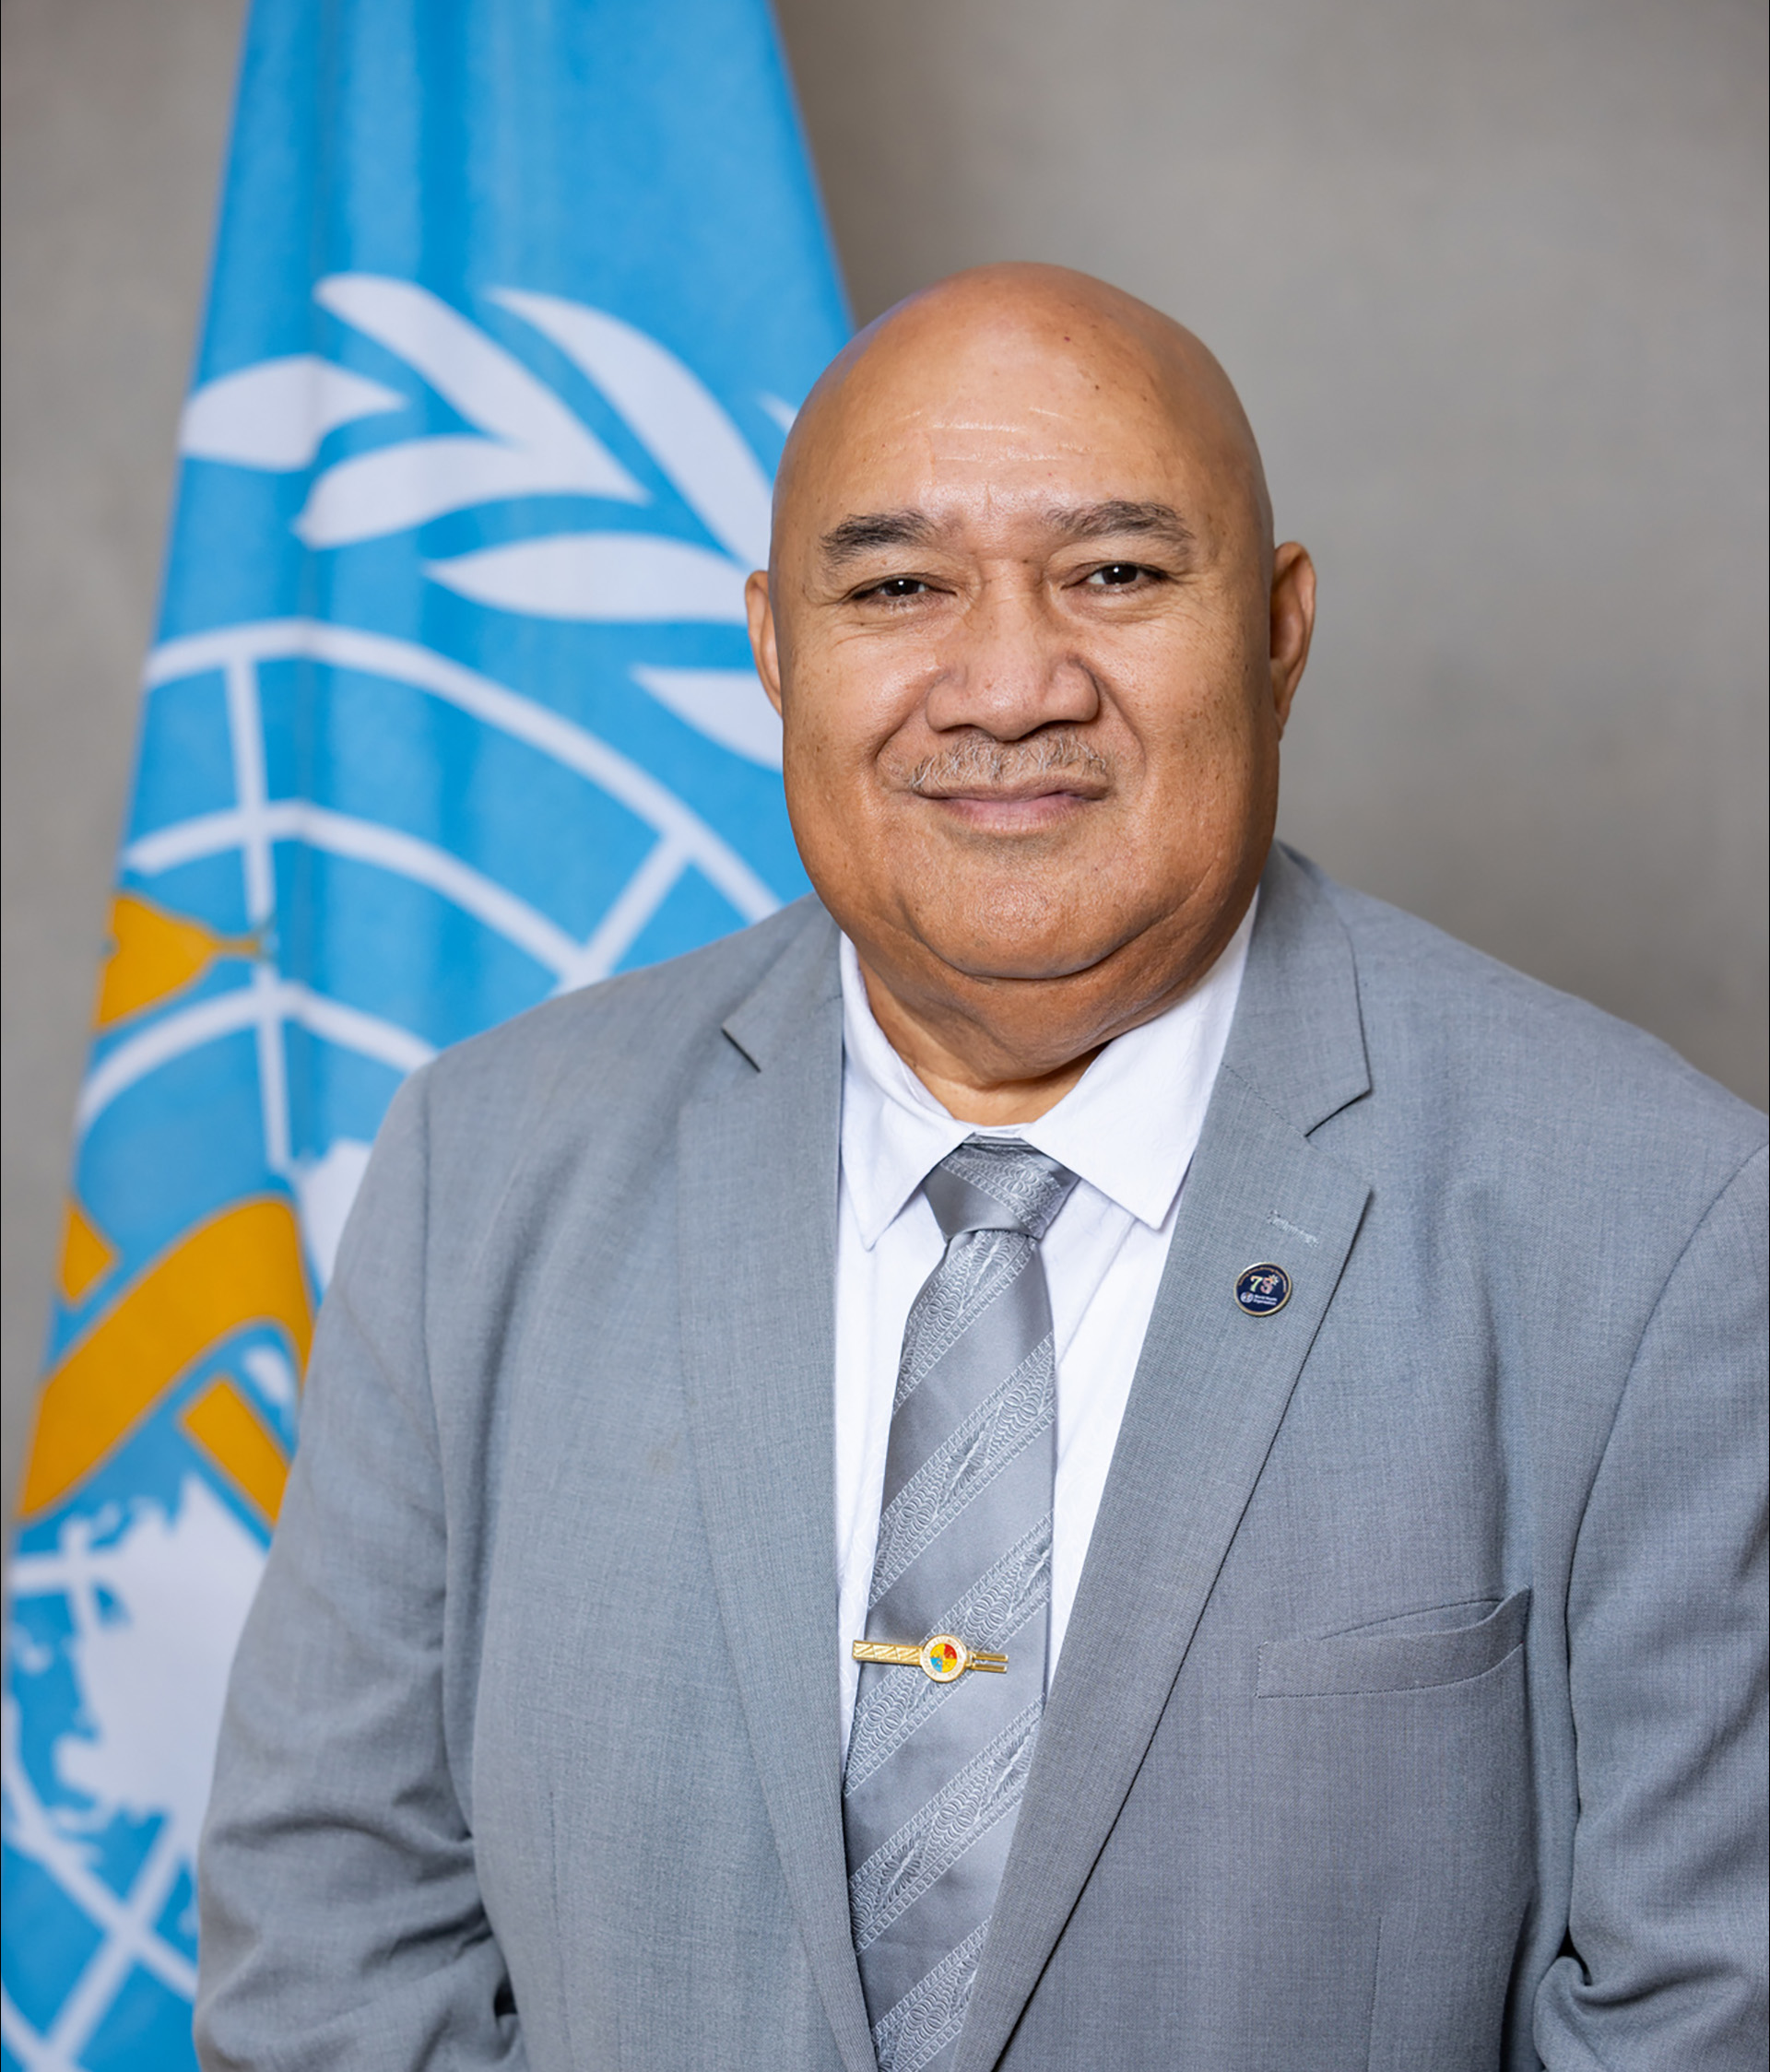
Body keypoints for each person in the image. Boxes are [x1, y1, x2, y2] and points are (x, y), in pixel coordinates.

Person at [195, 265, 1767, 2072]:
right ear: (775, 649)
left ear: (1278, 632)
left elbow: (1701, 2013)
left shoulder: (1662, 1221)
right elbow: (329, 1948)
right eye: (897, 588)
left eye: (1117, 574)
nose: (1011, 688)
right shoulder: (481, 1170)